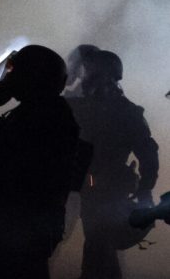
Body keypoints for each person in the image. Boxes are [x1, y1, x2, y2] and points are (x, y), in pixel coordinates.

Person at [0, 45, 79, 279]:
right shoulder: (38, 112)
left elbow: (20, 170)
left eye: (15, 73)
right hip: (17, 223)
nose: (9, 79)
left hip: (21, 224)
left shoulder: (43, 118)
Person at [67, 50, 158, 279]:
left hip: (106, 190)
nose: (84, 78)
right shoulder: (89, 106)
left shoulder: (124, 112)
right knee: (99, 249)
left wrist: (146, 190)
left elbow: (148, 153)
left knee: (99, 249)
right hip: (85, 187)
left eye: (88, 73)